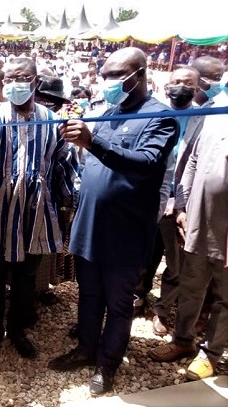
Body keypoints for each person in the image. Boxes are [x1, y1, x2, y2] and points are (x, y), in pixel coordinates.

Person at [48, 47, 178, 396]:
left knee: (119, 303)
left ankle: (107, 364)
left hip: (126, 231)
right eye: (103, 76)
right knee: (88, 294)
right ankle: (86, 348)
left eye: (113, 76)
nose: (106, 83)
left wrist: (94, 142)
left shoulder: (160, 118)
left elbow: (146, 164)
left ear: (138, 75)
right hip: (90, 223)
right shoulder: (107, 112)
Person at [0, 57, 78, 360]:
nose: (14, 84)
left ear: (36, 82)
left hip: (35, 212)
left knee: (26, 278)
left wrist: (71, 202)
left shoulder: (51, 121)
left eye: (21, 78)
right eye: (8, 79)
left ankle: (18, 330)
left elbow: (65, 165)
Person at [149, 57, 227, 381]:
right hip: (197, 220)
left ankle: (211, 353)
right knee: (191, 285)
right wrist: (182, 204)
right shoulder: (216, 108)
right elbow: (193, 158)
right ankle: (182, 340)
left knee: (225, 295)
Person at [145, 67, 204, 336]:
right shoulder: (154, 112)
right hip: (150, 194)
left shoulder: (204, 118)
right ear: (167, 86)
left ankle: (162, 309)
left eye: (188, 83)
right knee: (144, 253)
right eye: (176, 82)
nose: (181, 86)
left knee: (175, 261)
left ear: (197, 87)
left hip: (180, 201)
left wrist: (178, 203)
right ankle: (137, 296)